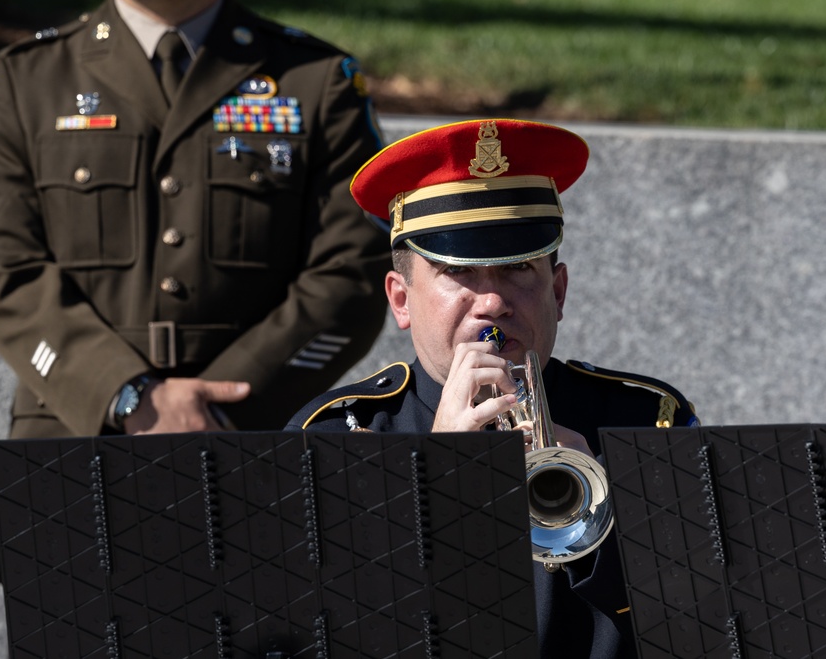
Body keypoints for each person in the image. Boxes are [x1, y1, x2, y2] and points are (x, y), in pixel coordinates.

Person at [286, 118, 700, 658]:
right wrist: (431, 484)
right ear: (401, 300)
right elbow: (322, 637)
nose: (492, 303)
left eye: (518, 270)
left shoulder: (645, 421)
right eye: (459, 274)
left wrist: (612, 512)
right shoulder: (337, 437)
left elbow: (707, 626)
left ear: (558, 291)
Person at [0, 0, 392, 438]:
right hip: (74, 423)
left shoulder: (317, 79)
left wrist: (227, 404)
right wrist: (124, 393)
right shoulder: (25, 78)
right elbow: (1, 262)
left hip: (259, 428)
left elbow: (352, 266)